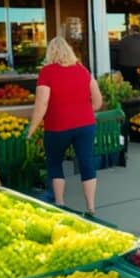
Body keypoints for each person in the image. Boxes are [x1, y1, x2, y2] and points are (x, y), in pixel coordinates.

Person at [27, 37, 103, 214]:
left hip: (57, 126)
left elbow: (42, 104)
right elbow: (98, 101)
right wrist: (81, 110)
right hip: (85, 125)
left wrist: (31, 129)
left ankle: (60, 204)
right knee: (86, 162)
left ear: (50, 53)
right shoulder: (83, 71)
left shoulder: (47, 72)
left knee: (55, 163)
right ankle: (91, 207)